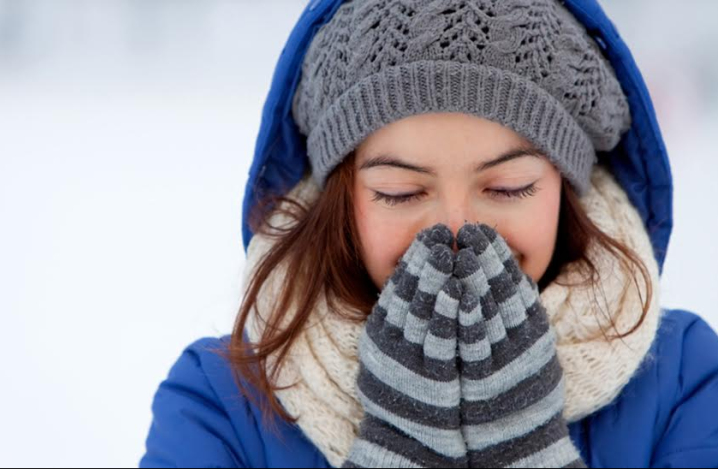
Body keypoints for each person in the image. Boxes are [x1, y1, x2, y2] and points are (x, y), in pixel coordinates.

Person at [140, 0, 718, 467]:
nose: (458, 232)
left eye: (510, 186)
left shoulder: (685, 381)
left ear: (567, 190)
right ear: (339, 202)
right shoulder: (219, 404)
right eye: (401, 193)